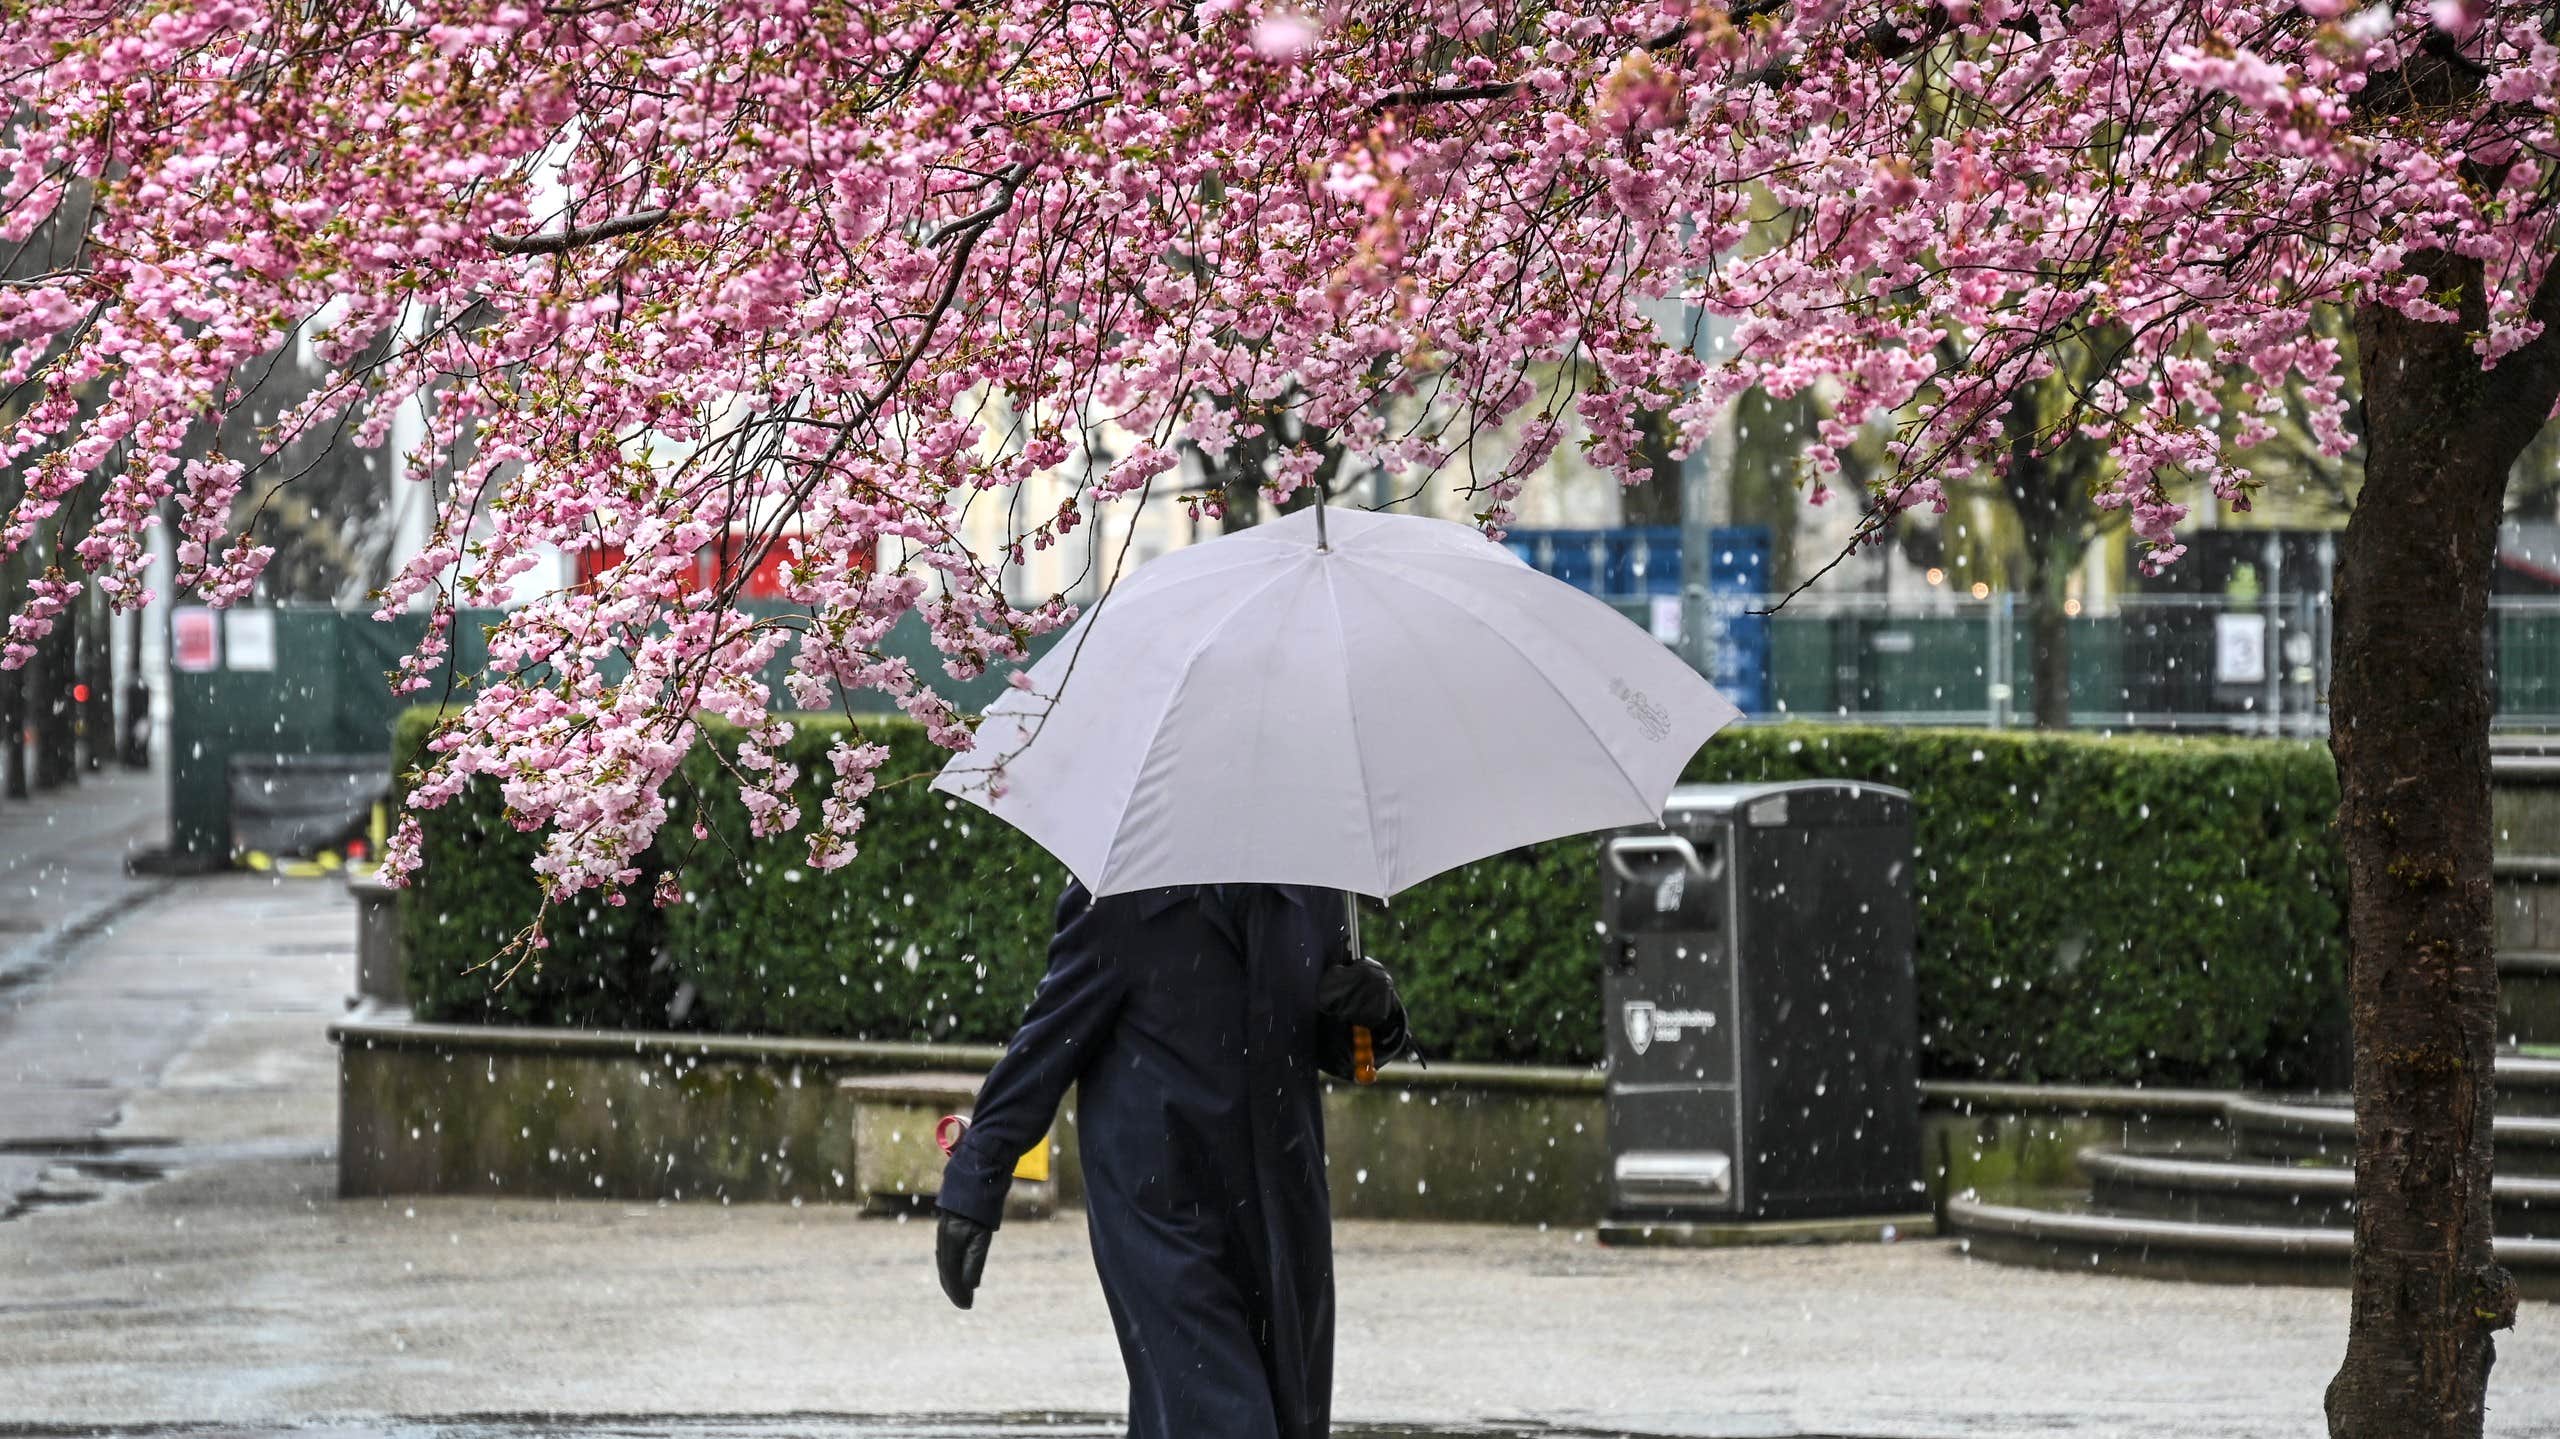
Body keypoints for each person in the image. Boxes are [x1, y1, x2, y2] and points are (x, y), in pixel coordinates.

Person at [934, 880, 1411, 1439]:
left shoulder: (1314, 886)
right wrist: (975, 1182)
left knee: (1273, 1420)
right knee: (1221, 1420)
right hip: (1161, 1211)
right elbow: (1049, 1041)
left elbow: (1336, 1044)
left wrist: (1376, 1017)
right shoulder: (1124, 892)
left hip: (1282, 1207)